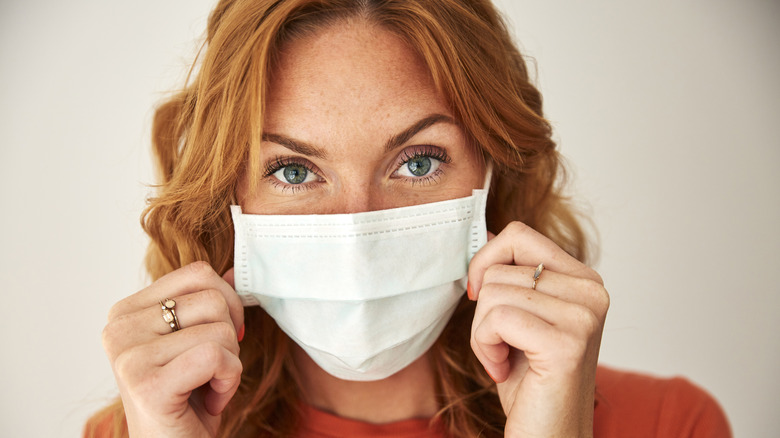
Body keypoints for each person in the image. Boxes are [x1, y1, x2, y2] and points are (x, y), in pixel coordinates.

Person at [87, 0, 731, 437]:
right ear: (229, 192)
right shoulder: (144, 427)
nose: (358, 235)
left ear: (491, 169)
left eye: (418, 162)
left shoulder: (668, 422)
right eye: (293, 171)